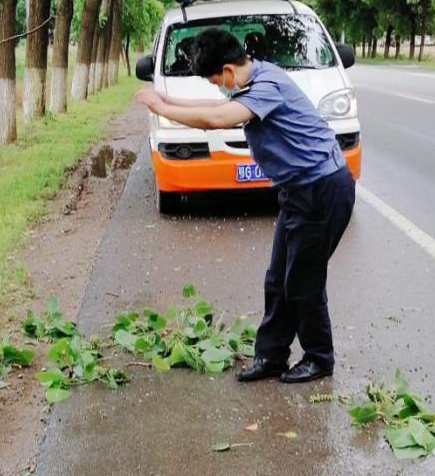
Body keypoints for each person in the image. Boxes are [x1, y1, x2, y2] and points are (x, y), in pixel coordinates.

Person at [134, 27, 355, 384]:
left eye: (213, 80)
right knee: (277, 280)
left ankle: (319, 357)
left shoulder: (267, 85)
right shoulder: (252, 80)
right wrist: (165, 101)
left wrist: (162, 108)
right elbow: (214, 107)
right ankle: (271, 355)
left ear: (228, 71)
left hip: (322, 189)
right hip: (298, 191)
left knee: (302, 281)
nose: (215, 87)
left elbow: (216, 119)